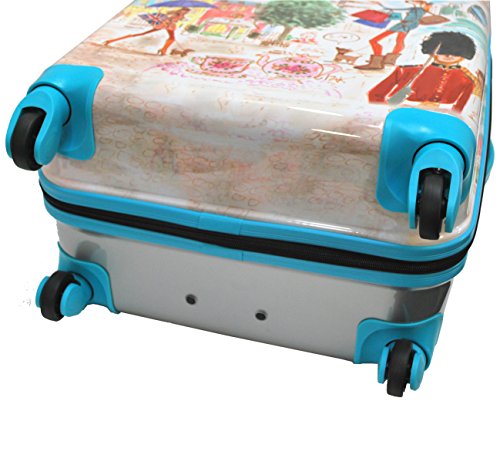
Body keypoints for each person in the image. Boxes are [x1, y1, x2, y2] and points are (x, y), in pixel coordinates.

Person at [368, 32, 480, 114]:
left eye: (456, 53)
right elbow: (375, 95)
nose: (449, 56)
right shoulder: (405, 71)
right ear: (432, 52)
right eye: (444, 52)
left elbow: (459, 111)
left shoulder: (466, 80)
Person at [356, 0, 433, 70]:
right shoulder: (418, 10)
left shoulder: (417, 10)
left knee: (374, 41)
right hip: (404, 26)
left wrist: (381, 6)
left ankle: (376, 63)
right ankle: (389, 60)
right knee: (399, 40)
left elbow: (396, 10)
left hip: (402, 26)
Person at [104, 7, 190, 56]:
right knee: (143, 34)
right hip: (166, 25)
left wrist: (177, 19)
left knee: (171, 38)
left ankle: (163, 50)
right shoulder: (176, 14)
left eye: (187, 11)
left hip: (168, 26)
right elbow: (168, 18)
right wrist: (170, 21)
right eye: (185, 10)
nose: (186, 12)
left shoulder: (181, 15)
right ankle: (163, 50)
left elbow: (173, 19)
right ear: (183, 10)